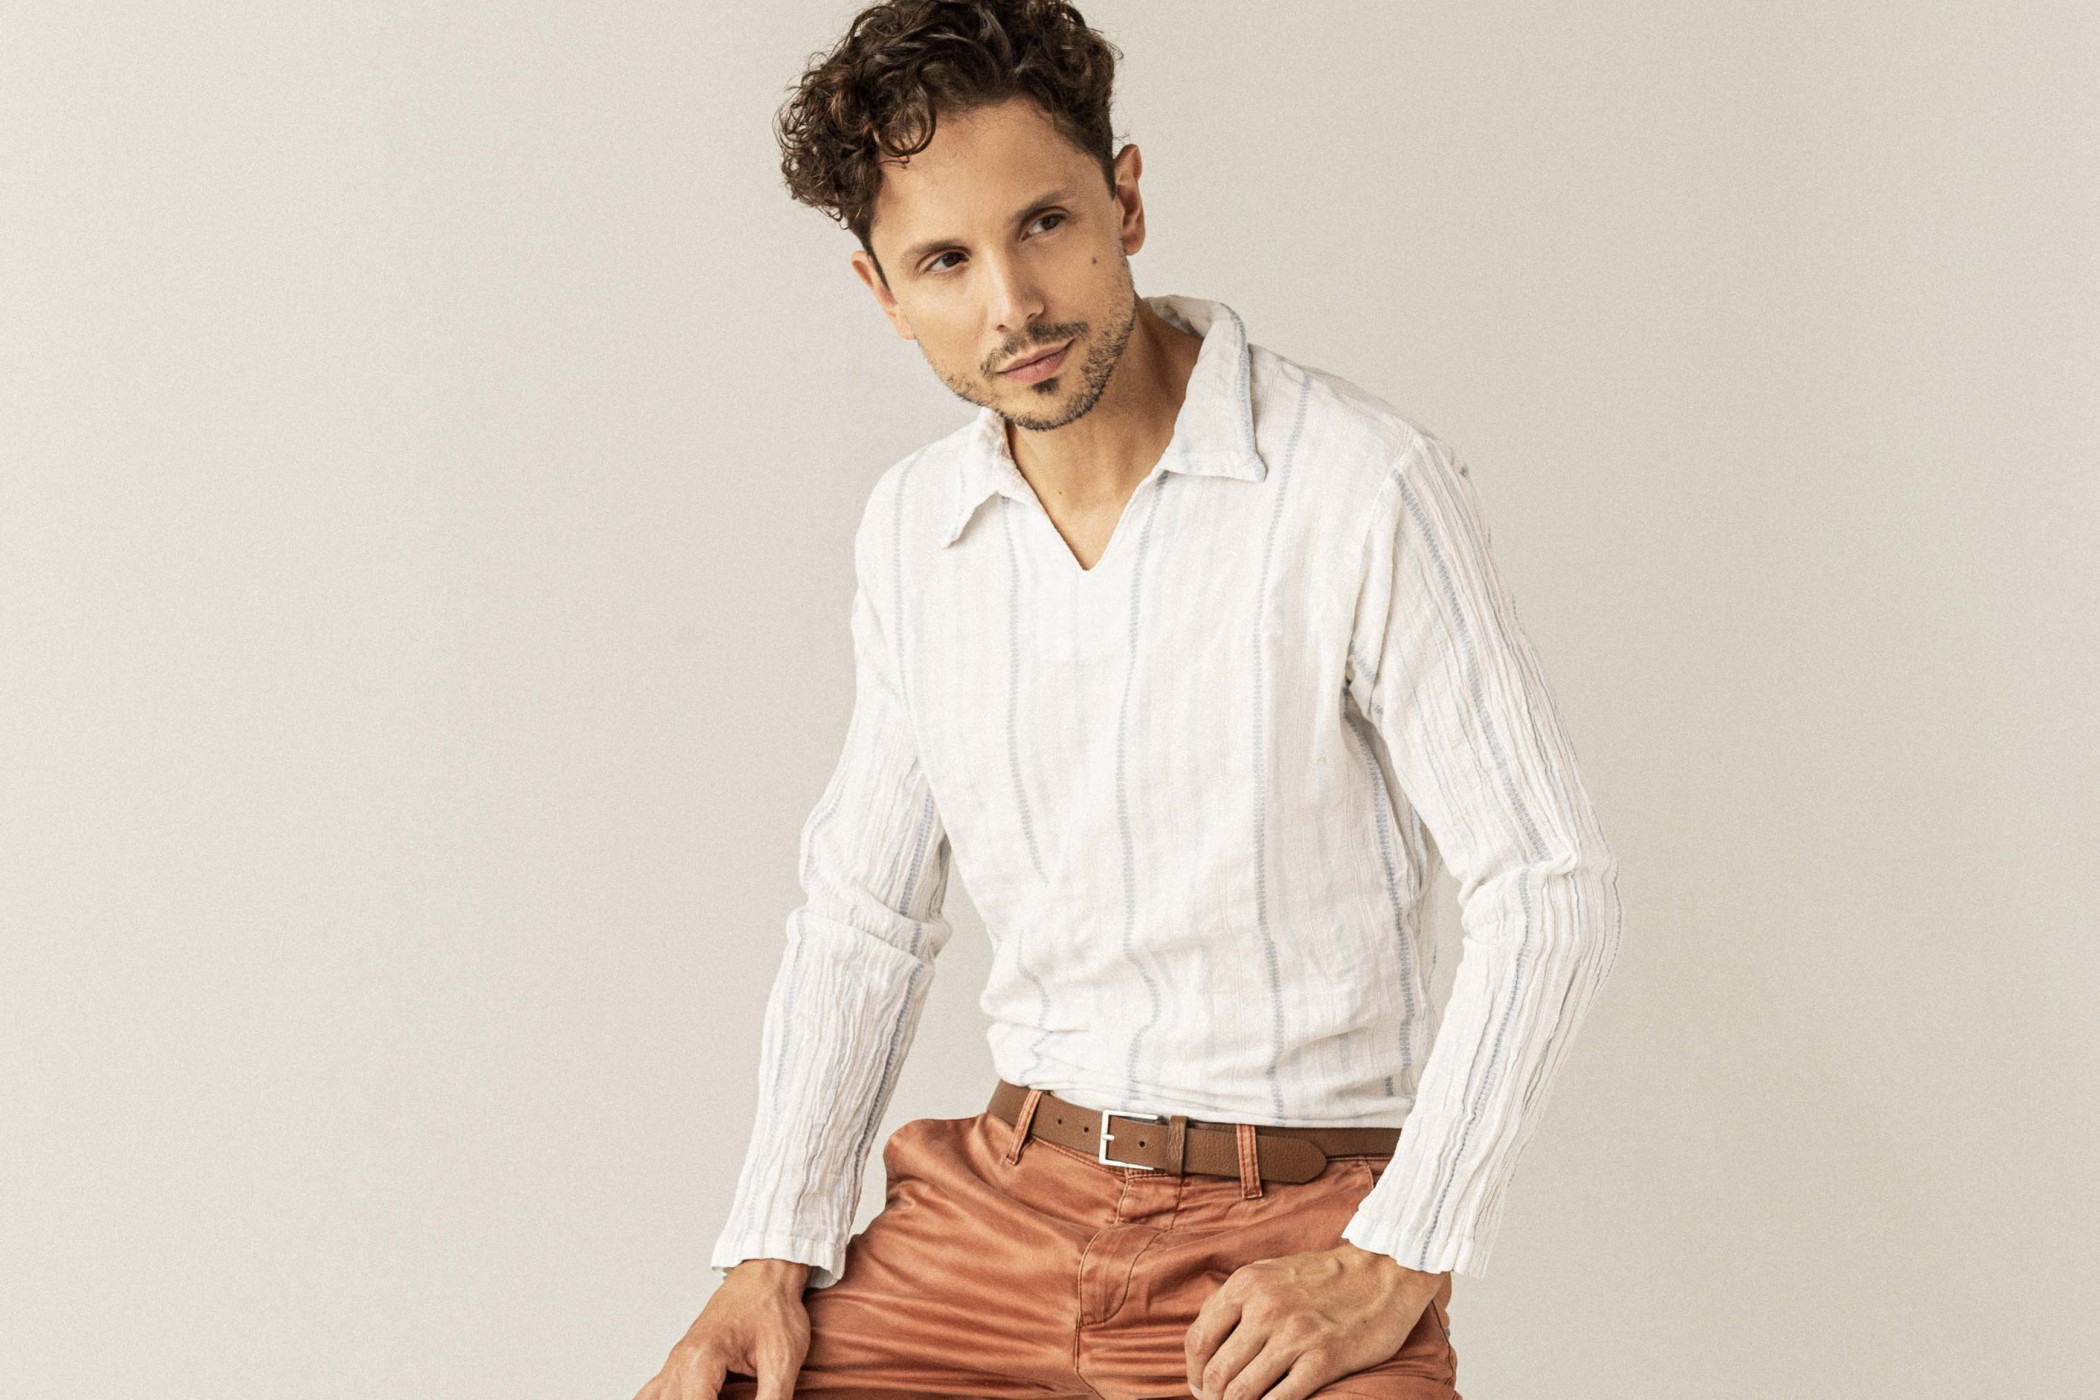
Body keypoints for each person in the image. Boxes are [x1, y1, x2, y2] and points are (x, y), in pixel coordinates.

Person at [637, 3, 1622, 1397]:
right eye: (945, 260)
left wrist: (1401, 1252)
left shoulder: (1358, 488)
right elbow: (863, 915)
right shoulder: (916, 530)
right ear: (884, 293)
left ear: (1128, 201)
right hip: (992, 1218)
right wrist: (767, 1247)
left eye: (1044, 224)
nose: (1013, 305)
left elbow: (1547, 882)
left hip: (1288, 1230)